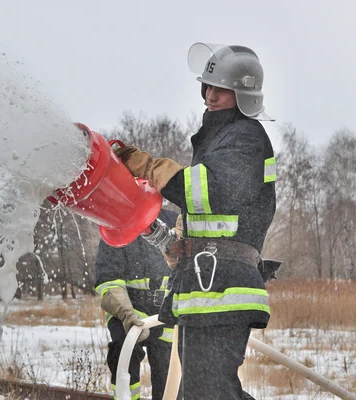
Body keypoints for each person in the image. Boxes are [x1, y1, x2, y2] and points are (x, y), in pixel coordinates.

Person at [114, 43, 277, 400]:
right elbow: (213, 219)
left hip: (224, 288)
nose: (210, 95)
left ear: (243, 94)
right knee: (199, 393)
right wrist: (174, 244)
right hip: (205, 286)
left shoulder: (244, 138)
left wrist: (147, 166)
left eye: (221, 88)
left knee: (210, 392)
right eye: (207, 86)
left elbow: (203, 191)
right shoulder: (220, 138)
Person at [95, 208, 178, 400]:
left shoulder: (173, 222)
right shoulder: (115, 227)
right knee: (123, 353)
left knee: (169, 375)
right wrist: (127, 314)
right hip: (128, 314)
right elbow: (109, 282)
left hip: (166, 315)